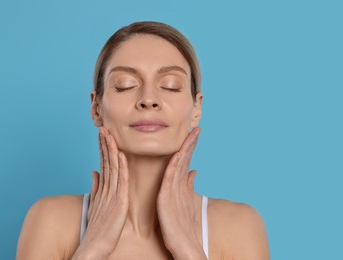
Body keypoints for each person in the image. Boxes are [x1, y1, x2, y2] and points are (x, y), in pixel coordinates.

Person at [16, 21, 269, 260]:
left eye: (170, 85)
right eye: (125, 85)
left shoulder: (239, 226)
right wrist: (93, 248)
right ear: (96, 107)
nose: (149, 99)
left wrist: (188, 249)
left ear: (196, 108)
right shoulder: (50, 220)